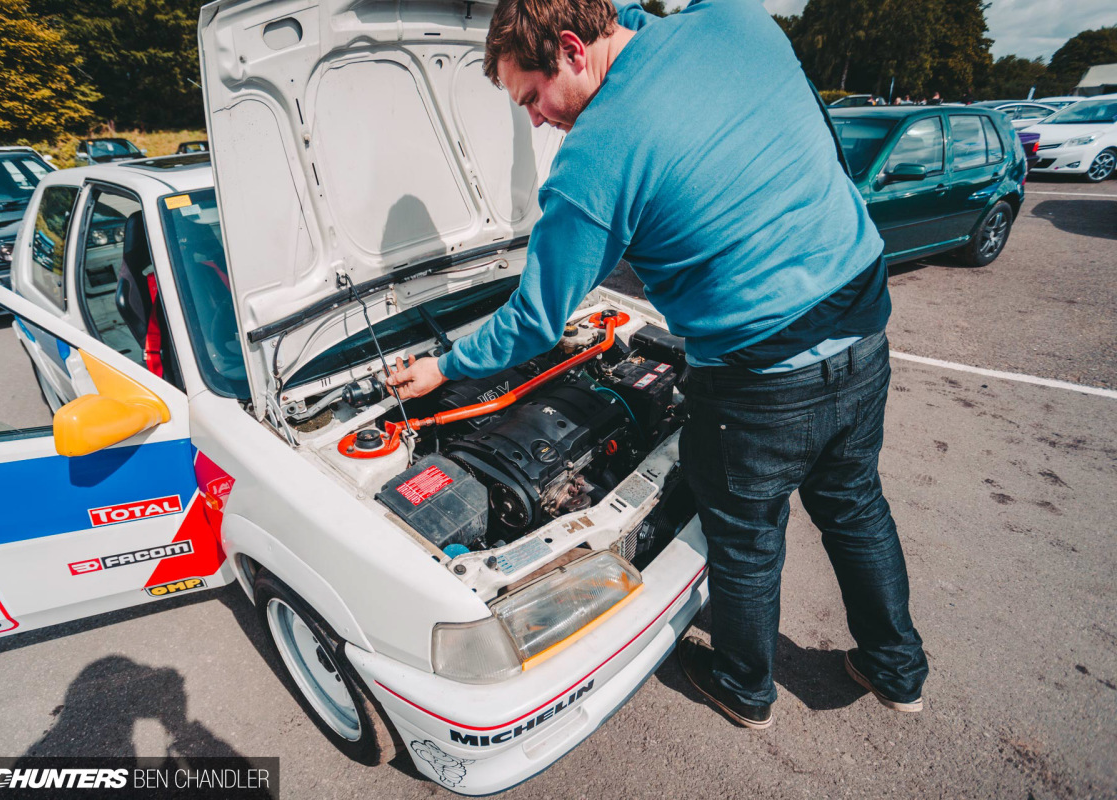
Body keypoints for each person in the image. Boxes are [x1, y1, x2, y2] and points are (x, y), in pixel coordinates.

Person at [386, 0, 928, 730]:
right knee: (854, 502)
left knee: (747, 537)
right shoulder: (736, 20)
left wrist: (446, 366)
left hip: (763, 382)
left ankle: (743, 686)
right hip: (864, 330)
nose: (537, 120)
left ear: (572, 49)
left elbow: (537, 320)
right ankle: (897, 670)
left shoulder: (597, 156)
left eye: (531, 98)